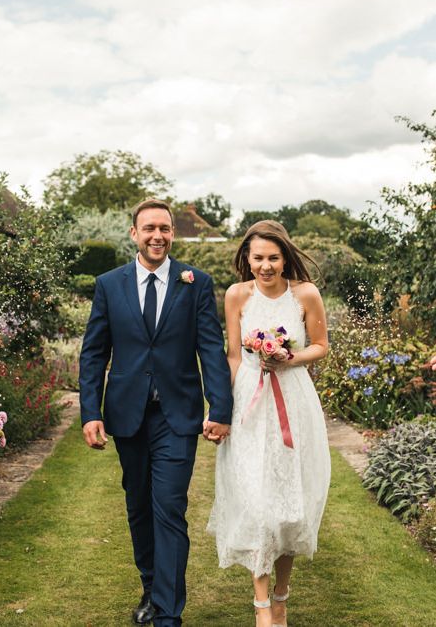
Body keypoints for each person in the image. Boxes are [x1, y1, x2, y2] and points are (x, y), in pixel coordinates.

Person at [79, 198, 234, 627]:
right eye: (149, 228)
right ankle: (151, 587)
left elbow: (210, 349)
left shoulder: (195, 283)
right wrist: (90, 411)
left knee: (169, 507)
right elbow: (94, 353)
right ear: (134, 233)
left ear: (172, 233)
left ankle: (167, 614)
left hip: (177, 416)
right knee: (139, 507)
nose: (157, 236)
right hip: (127, 415)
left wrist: (220, 407)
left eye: (164, 229)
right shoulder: (109, 285)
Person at [207, 220, 331, 627]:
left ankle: (281, 594)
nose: (265, 266)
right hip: (249, 404)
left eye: (273, 257)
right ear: (247, 258)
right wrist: (220, 410)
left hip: (293, 402)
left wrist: (286, 357)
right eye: (258, 257)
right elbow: (233, 355)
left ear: (285, 256)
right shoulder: (236, 295)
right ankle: (262, 605)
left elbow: (320, 346)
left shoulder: (305, 295)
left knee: (290, 508)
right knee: (256, 503)